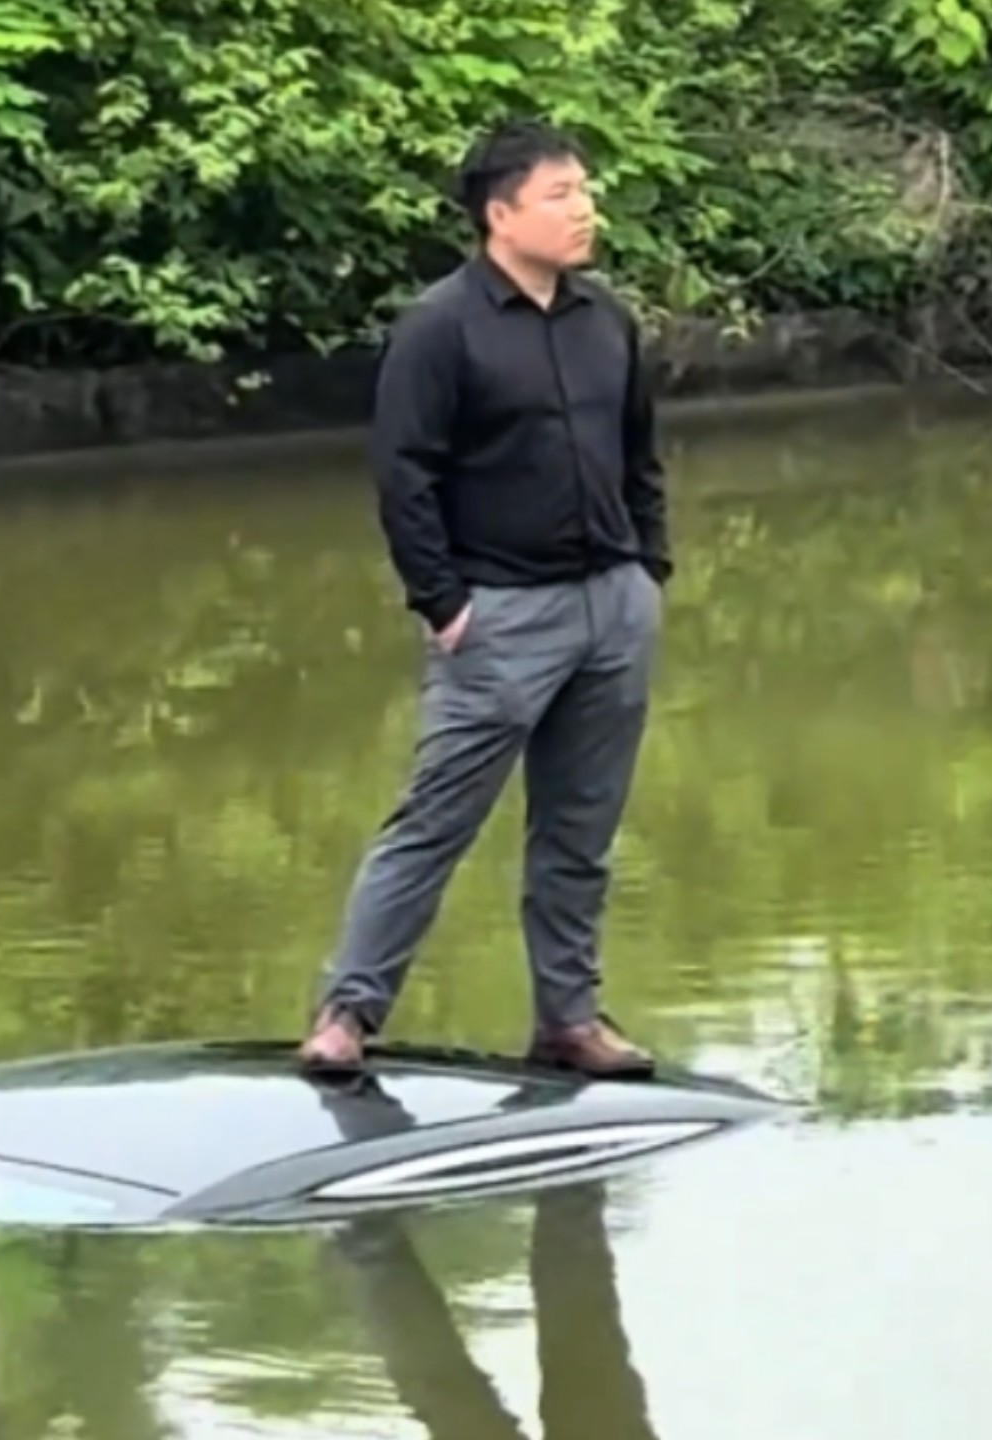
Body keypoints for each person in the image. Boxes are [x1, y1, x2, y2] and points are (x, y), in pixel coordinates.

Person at [299, 117, 671, 1079]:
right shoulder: (440, 327)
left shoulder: (607, 320)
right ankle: (348, 1013)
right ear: (500, 215)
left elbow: (641, 453)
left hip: (612, 606)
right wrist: (445, 603)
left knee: (580, 831)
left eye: (585, 191)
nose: (584, 209)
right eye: (561, 195)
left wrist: (648, 570)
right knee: (434, 821)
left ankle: (568, 1021)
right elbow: (404, 475)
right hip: (499, 615)